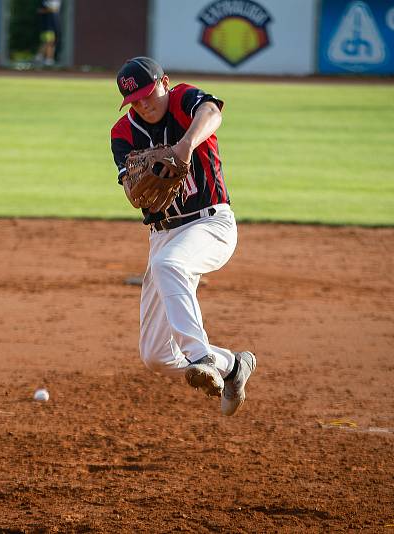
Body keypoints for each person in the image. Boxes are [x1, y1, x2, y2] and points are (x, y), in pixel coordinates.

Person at [110, 56, 256, 416]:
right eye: (135, 101)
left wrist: (185, 146)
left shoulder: (184, 99)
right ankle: (234, 366)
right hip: (164, 234)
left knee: (168, 263)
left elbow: (213, 112)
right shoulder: (122, 133)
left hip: (211, 224)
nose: (144, 104)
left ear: (165, 82)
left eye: (149, 93)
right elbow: (132, 188)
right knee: (156, 356)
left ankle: (201, 356)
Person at [35, 0, 61, 67]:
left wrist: (52, 10)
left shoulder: (57, 1)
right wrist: (49, 10)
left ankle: (44, 58)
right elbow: (39, 10)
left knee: (52, 42)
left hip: (55, 25)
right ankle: (47, 59)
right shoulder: (44, 2)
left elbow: (56, 10)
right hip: (46, 25)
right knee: (48, 41)